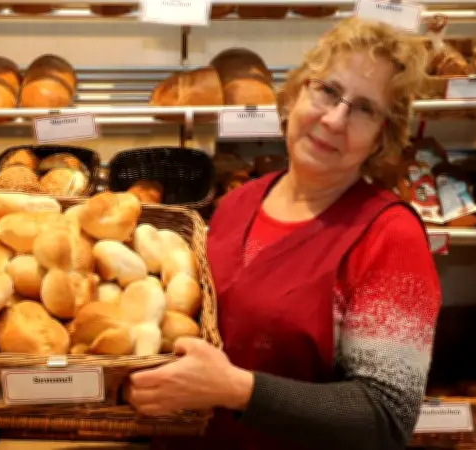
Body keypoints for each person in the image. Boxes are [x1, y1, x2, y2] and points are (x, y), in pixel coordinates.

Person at [124, 18, 442, 450]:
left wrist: (237, 389)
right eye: (327, 91)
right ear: (294, 95)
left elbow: (386, 416)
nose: (334, 119)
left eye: (364, 109)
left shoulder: (390, 236)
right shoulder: (237, 203)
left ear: (380, 138)